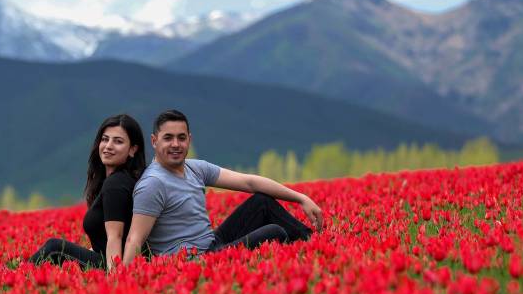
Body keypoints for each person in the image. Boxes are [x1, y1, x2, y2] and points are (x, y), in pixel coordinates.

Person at [121, 109, 323, 265]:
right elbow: (135, 239)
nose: (176, 144)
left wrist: (301, 198)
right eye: (168, 138)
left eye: (181, 138)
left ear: (189, 139)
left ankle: (318, 245)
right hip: (193, 262)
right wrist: (127, 284)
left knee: (262, 202)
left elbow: (249, 182)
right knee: (274, 232)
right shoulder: (153, 184)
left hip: (213, 243)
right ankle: (314, 251)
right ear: (154, 141)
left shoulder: (195, 168)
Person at [29, 114, 147, 271]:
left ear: (133, 149)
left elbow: (116, 236)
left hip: (112, 265)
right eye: (105, 139)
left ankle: (15, 276)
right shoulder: (120, 180)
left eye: (118, 141)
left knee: (54, 247)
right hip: (107, 260)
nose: (108, 146)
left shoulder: (116, 184)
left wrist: (116, 280)